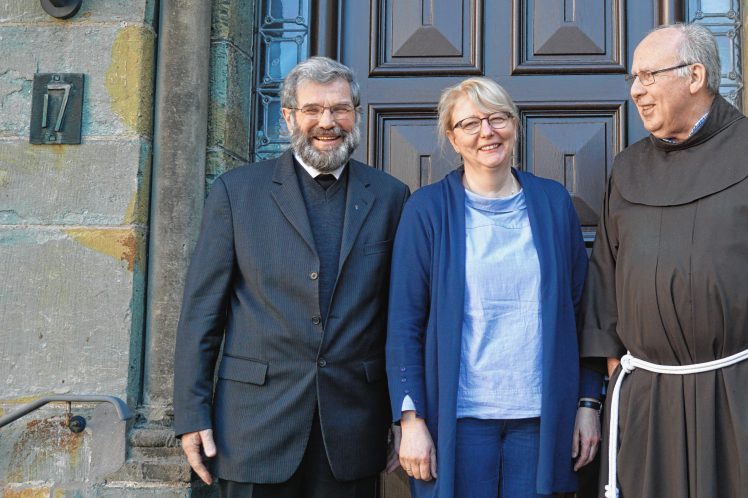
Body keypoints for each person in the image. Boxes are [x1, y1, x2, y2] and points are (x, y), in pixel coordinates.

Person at [582, 24, 748, 498]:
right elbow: (605, 274)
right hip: (652, 398)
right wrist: (615, 369)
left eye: (648, 75)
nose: (636, 90)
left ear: (695, 76)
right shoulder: (627, 168)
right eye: (633, 78)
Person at [173, 56, 409, 497]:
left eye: (340, 108)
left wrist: (403, 415)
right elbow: (202, 314)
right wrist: (191, 414)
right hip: (252, 427)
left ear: (356, 114)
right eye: (312, 109)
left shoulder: (391, 196)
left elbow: (400, 318)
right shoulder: (236, 192)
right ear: (288, 117)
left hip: (353, 429)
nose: (327, 122)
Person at [386, 77, 603, 498]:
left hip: (541, 420)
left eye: (497, 118)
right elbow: (404, 325)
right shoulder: (427, 211)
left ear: (514, 125)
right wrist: (410, 420)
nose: (487, 132)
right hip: (458, 421)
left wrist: (588, 403)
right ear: (453, 138)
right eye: (470, 123)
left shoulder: (554, 203)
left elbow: (583, 313)